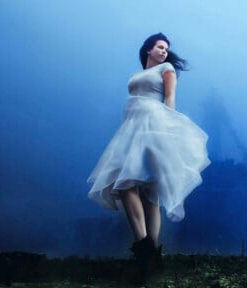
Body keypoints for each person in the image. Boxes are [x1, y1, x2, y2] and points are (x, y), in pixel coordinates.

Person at [87, 32, 210, 278]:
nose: (165, 51)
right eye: (160, 47)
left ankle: (145, 249)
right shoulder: (135, 75)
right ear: (148, 49)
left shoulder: (167, 69)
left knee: (143, 190)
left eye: (166, 48)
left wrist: (168, 133)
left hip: (153, 125)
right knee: (137, 188)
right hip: (131, 127)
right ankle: (149, 254)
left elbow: (170, 99)